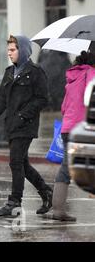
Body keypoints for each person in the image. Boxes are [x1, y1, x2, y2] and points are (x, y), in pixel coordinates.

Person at [0, 35, 53, 217]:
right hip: (11, 125)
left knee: (16, 162)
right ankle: (46, 192)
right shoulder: (9, 72)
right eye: (8, 50)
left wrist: (23, 115)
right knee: (23, 164)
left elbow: (43, 99)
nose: (9, 53)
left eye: (13, 50)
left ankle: (14, 202)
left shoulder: (36, 72)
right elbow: (1, 101)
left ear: (24, 51)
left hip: (25, 125)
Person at [51, 48, 95, 221]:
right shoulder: (91, 74)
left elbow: (64, 106)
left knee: (66, 167)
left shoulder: (73, 76)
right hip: (84, 128)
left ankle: (58, 209)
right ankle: (58, 210)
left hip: (68, 128)